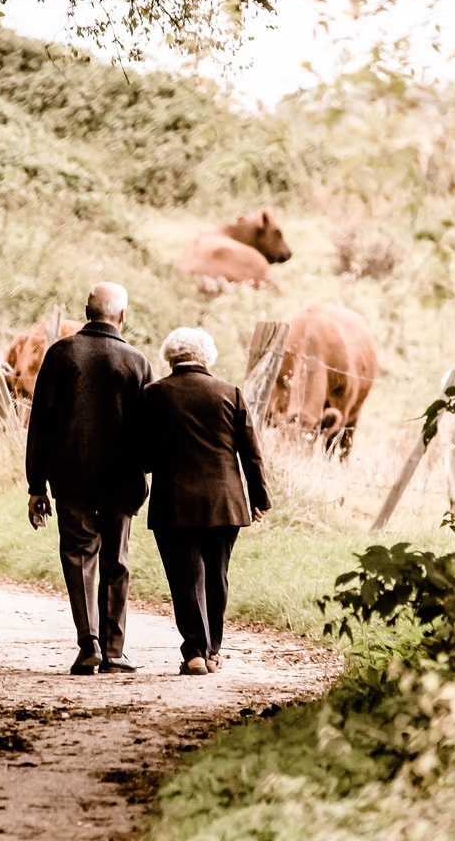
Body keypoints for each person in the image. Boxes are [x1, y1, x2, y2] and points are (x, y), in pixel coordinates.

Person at [26, 282, 154, 675]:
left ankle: (89, 645)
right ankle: (115, 651)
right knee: (116, 559)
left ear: (86, 311)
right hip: (121, 479)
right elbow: (148, 429)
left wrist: (36, 486)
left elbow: (40, 424)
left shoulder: (61, 355)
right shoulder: (136, 361)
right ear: (123, 316)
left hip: (71, 476)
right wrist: (145, 471)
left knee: (79, 557)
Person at [141, 327, 270, 676]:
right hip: (225, 501)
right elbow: (251, 453)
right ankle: (213, 651)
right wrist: (259, 497)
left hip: (174, 502)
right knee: (217, 575)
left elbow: (145, 455)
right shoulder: (230, 393)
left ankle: (195, 652)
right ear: (207, 357)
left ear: (170, 356)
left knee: (186, 578)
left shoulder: (154, 394)